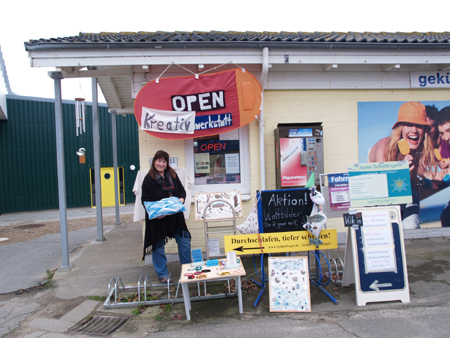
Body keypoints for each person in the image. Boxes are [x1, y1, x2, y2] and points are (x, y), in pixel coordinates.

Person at [367, 101, 437, 229]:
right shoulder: (384, 149)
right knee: (388, 229)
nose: (414, 130)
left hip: (403, 189)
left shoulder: (417, 148)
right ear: (400, 129)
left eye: (419, 126)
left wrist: (410, 175)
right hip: (378, 194)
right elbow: (383, 193)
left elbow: (412, 182)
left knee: (411, 227)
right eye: (409, 125)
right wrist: (401, 174)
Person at [141, 150, 192, 283]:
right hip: (158, 220)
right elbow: (145, 200)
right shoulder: (148, 179)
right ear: (154, 162)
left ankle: (187, 269)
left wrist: (181, 199)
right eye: (159, 161)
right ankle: (162, 274)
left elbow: (181, 190)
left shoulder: (173, 175)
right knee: (158, 247)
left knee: (184, 242)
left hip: (175, 217)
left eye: (164, 161)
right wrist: (158, 214)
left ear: (167, 163)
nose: (161, 164)